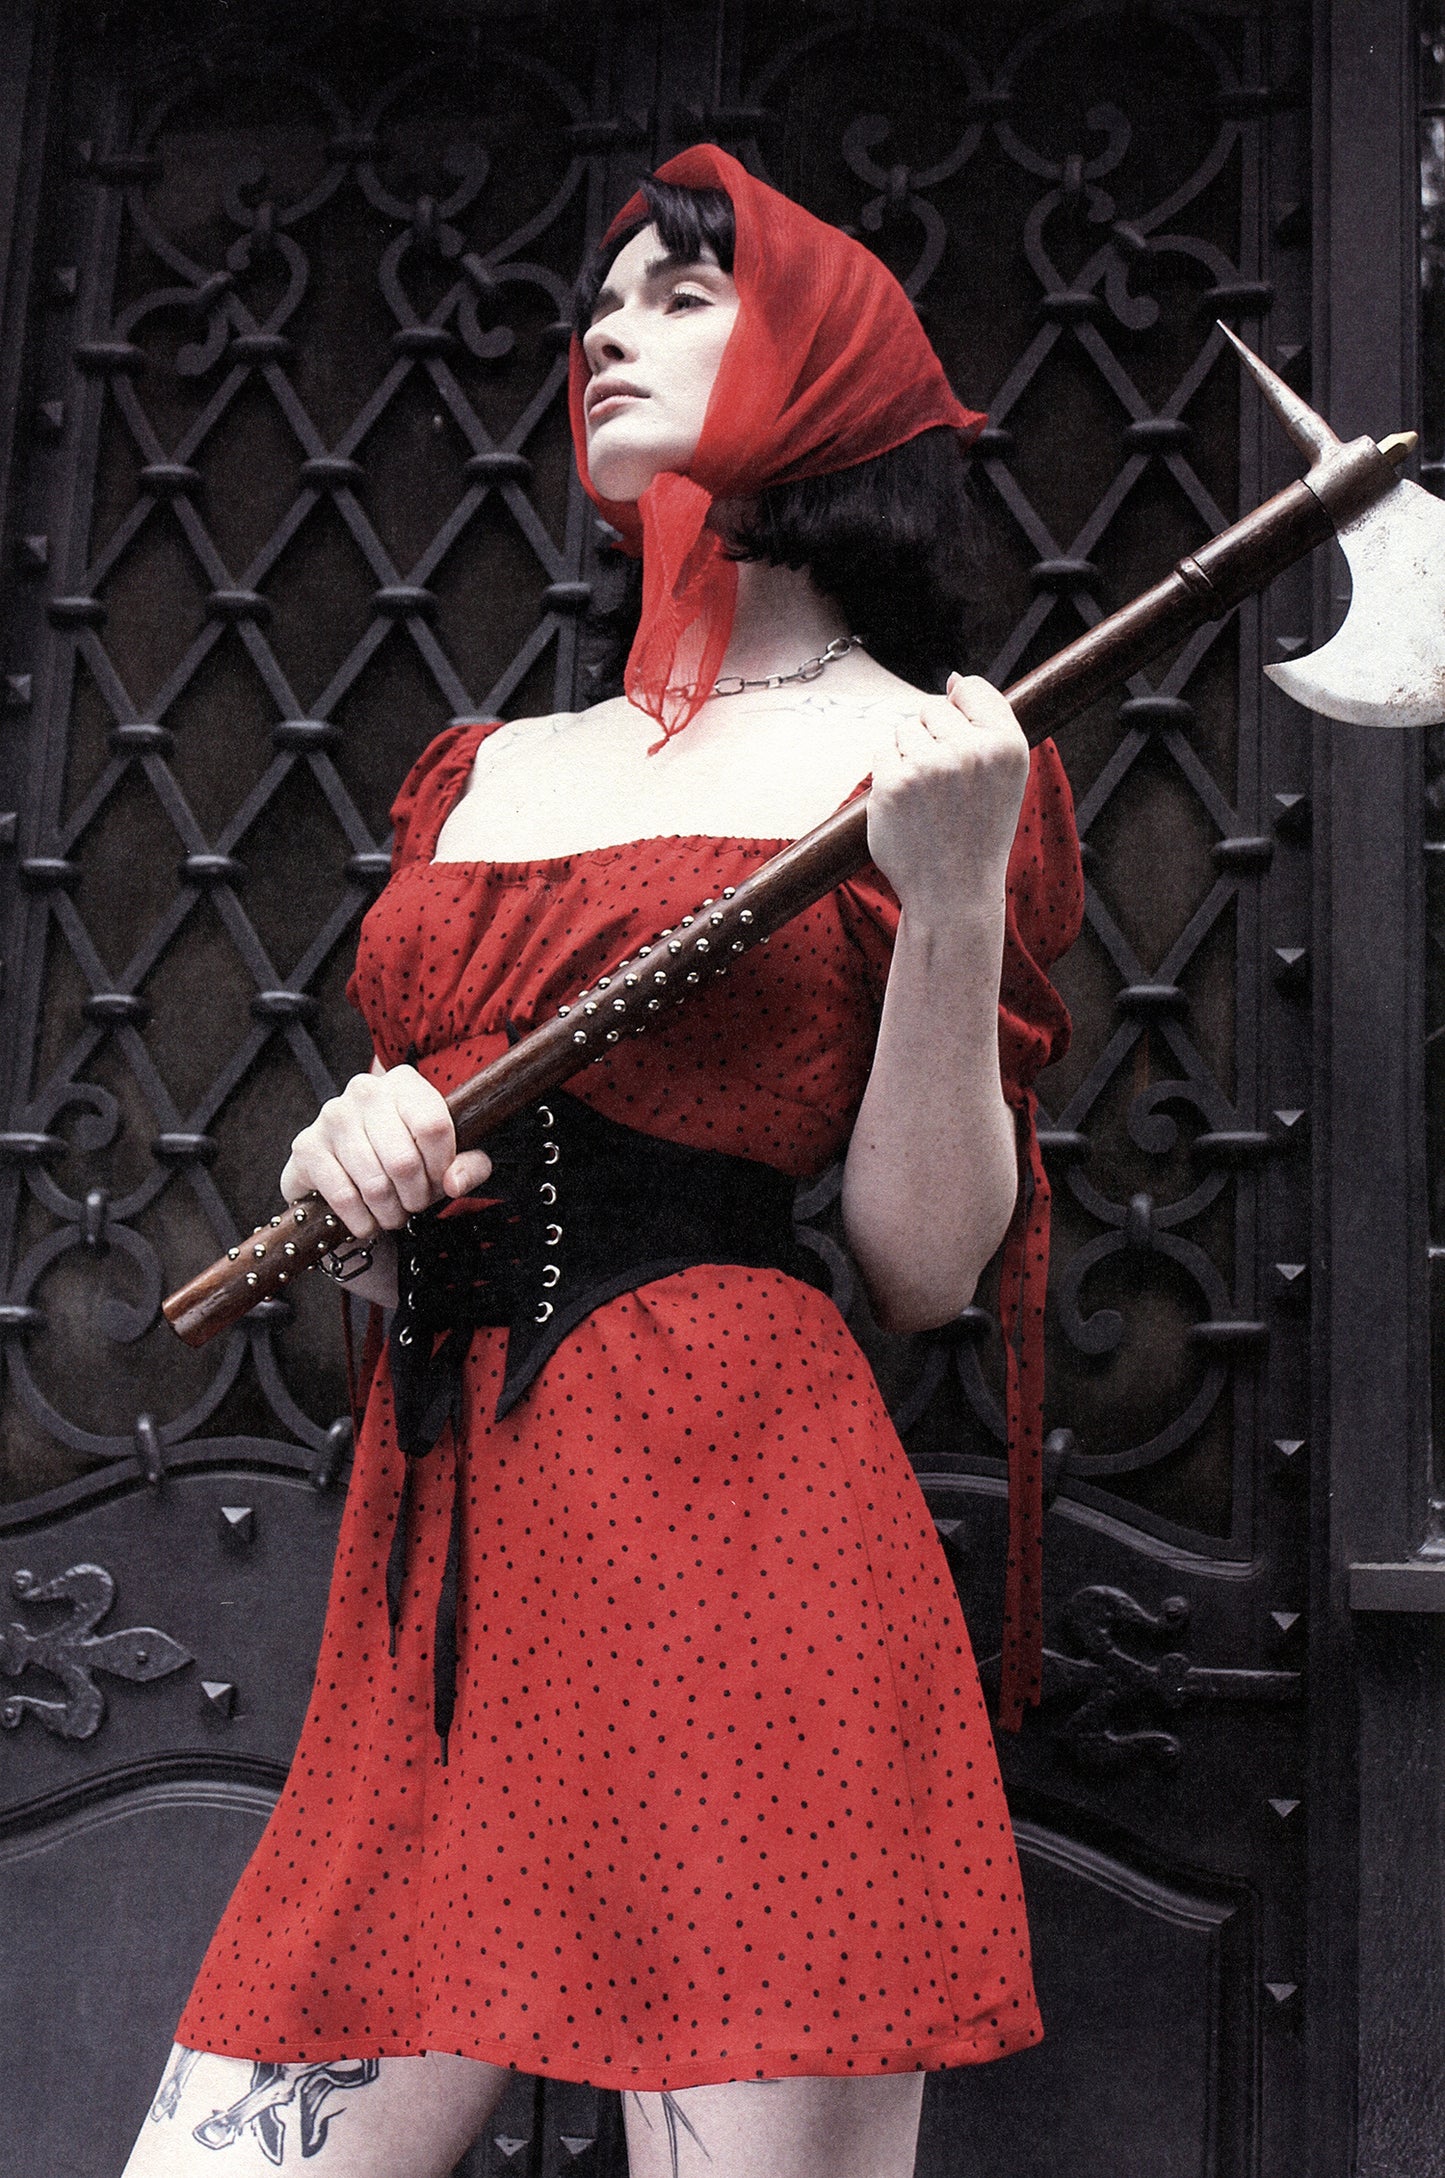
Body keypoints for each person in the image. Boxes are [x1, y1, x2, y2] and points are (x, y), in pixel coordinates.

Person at [122, 145, 1081, 2178]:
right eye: (602, 297)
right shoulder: (490, 775)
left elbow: (923, 1264)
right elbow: (409, 1201)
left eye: (678, 293)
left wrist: (954, 897)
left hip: (740, 1556)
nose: (605, 331)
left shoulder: (933, 758)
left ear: (821, 361)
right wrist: (352, 1173)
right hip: (444, 1586)